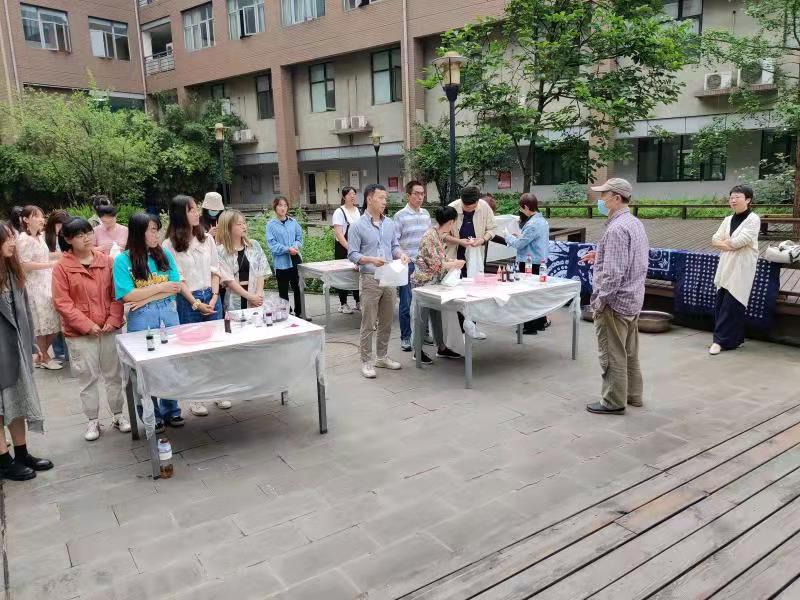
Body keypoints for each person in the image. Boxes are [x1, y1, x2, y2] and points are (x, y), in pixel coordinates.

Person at [51, 218, 130, 442]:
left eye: (88, 233)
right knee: (87, 378)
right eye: (79, 235)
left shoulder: (107, 261)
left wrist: (113, 320)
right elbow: (62, 303)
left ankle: (118, 414)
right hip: (80, 334)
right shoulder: (62, 268)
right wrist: (87, 325)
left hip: (109, 329)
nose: (86, 238)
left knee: (114, 375)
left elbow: (118, 293)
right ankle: (92, 420)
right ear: (68, 239)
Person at [581, 178, 649, 416]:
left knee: (612, 354)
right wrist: (600, 254)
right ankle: (633, 395)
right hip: (633, 297)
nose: (600, 199)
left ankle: (613, 401)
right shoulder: (634, 223)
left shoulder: (617, 228)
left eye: (604, 195)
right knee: (629, 352)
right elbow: (632, 257)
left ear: (617, 198)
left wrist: (600, 301)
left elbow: (613, 274)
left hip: (615, 302)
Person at [114, 213, 184, 431]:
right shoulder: (123, 261)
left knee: (171, 364)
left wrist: (145, 296)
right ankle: (151, 414)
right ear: (139, 232)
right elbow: (127, 295)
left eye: (157, 230)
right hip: (142, 321)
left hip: (169, 317)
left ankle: (171, 409)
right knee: (144, 369)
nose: (157, 234)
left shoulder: (164, 255)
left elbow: (175, 287)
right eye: (152, 230)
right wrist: (160, 288)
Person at [163, 195, 228, 416]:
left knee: (216, 347)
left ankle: (219, 391)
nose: (196, 213)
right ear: (180, 214)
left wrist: (214, 296)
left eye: (196, 209)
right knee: (192, 350)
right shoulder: (169, 245)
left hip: (211, 295)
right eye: (191, 210)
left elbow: (215, 269)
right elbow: (178, 279)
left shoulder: (206, 238)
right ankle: (197, 397)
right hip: (187, 300)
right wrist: (195, 302)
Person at [0, 221, 53, 481]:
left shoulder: (13, 272)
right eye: (6, 239)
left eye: (12, 237)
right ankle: (3, 461)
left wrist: (32, 345)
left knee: (18, 400)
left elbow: (26, 313)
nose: (12, 242)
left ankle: (21, 453)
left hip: (16, 349)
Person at [348, 184, 410, 379]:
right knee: (368, 322)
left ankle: (381, 357)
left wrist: (401, 254)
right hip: (370, 278)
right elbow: (352, 254)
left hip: (389, 276)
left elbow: (394, 246)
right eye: (381, 198)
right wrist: (371, 259)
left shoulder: (389, 223)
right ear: (369, 199)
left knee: (386, 321)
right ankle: (366, 361)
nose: (385, 201)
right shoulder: (357, 226)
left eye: (385, 198)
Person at [709, 185, 761, 356]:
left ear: (748, 200)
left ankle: (719, 341)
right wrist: (727, 244)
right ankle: (734, 339)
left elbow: (740, 241)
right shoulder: (727, 219)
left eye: (738, 197)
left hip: (742, 267)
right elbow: (714, 239)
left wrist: (725, 244)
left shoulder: (753, 219)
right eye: (731, 197)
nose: (733, 200)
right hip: (726, 265)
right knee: (722, 301)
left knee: (734, 303)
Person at [412, 206, 465, 364]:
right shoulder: (430, 236)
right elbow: (436, 264)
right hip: (424, 283)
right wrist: (455, 264)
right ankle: (417, 350)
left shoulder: (436, 234)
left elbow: (440, 258)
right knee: (421, 317)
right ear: (451, 222)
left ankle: (441, 346)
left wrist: (452, 262)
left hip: (434, 282)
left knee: (437, 315)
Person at [443, 186, 496, 339]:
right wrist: (459, 241)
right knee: (457, 294)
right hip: (455, 257)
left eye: (471, 207)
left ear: (477, 202)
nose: (468, 209)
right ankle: (458, 332)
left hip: (475, 256)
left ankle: (472, 327)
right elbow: (442, 233)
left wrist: (483, 239)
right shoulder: (452, 208)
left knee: (474, 292)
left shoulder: (484, 207)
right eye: (465, 206)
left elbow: (492, 229)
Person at [17, 206, 63, 370]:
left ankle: (40, 356)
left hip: (47, 282)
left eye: (42, 216)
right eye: (36, 216)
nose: (41, 219)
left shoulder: (39, 237)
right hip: (34, 286)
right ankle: (44, 357)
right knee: (41, 323)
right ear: (26, 219)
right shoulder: (24, 239)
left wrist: (60, 256)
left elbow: (43, 255)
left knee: (53, 322)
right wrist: (50, 264)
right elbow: (24, 264)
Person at [394, 180, 432, 352]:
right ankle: (406, 337)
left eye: (422, 193)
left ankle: (424, 333)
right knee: (406, 303)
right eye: (416, 193)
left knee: (426, 301)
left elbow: (429, 238)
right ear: (408, 195)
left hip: (424, 265)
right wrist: (404, 257)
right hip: (407, 265)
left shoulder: (426, 214)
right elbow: (394, 242)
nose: (420, 197)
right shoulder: (400, 216)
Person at [506, 193, 550, 334]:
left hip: (529, 262)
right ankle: (540, 322)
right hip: (540, 261)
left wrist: (507, 236)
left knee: (527, 293)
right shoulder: (542, 221)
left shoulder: (532, 224)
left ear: (525, 207)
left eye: (521, 208)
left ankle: (530, 326)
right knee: (537, 293)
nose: (520, 210)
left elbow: (520, 244)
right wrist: (519, 237)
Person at [217, 210, 270, 311]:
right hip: (234, 299)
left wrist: (258, 296)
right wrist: (250, 297)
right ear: (228, 227)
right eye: (239, 224)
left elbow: (261, 271)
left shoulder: (254, 245)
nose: (244, 226)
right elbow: (228, 280)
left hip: (256, 297)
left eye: (244, 223)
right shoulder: (220, 251)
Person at [267, 196, 306, 319]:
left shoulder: (293, 222)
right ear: (275, 207)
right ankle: (286, 314)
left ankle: (300, 312)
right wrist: (287, 249)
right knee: (283, 291)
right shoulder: (271, 225)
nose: (283, 208)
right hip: (281, 262)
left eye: (285, 205)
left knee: (298, 287)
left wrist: (295, 246)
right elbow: (272, 244)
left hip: (295, 259)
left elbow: (299, 238)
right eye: (280, 205)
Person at [332, 186, 361, 314]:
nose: (352, 196)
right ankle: (343, 303)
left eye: (354, 193)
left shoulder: (358, 211)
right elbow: (339, 234)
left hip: (357, 247)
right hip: (343, 247)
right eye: (350, 194)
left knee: (357, 273)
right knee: (343, 275)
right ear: (344, 197)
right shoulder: (339, 212)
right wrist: (350, 248)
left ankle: (358, 301)